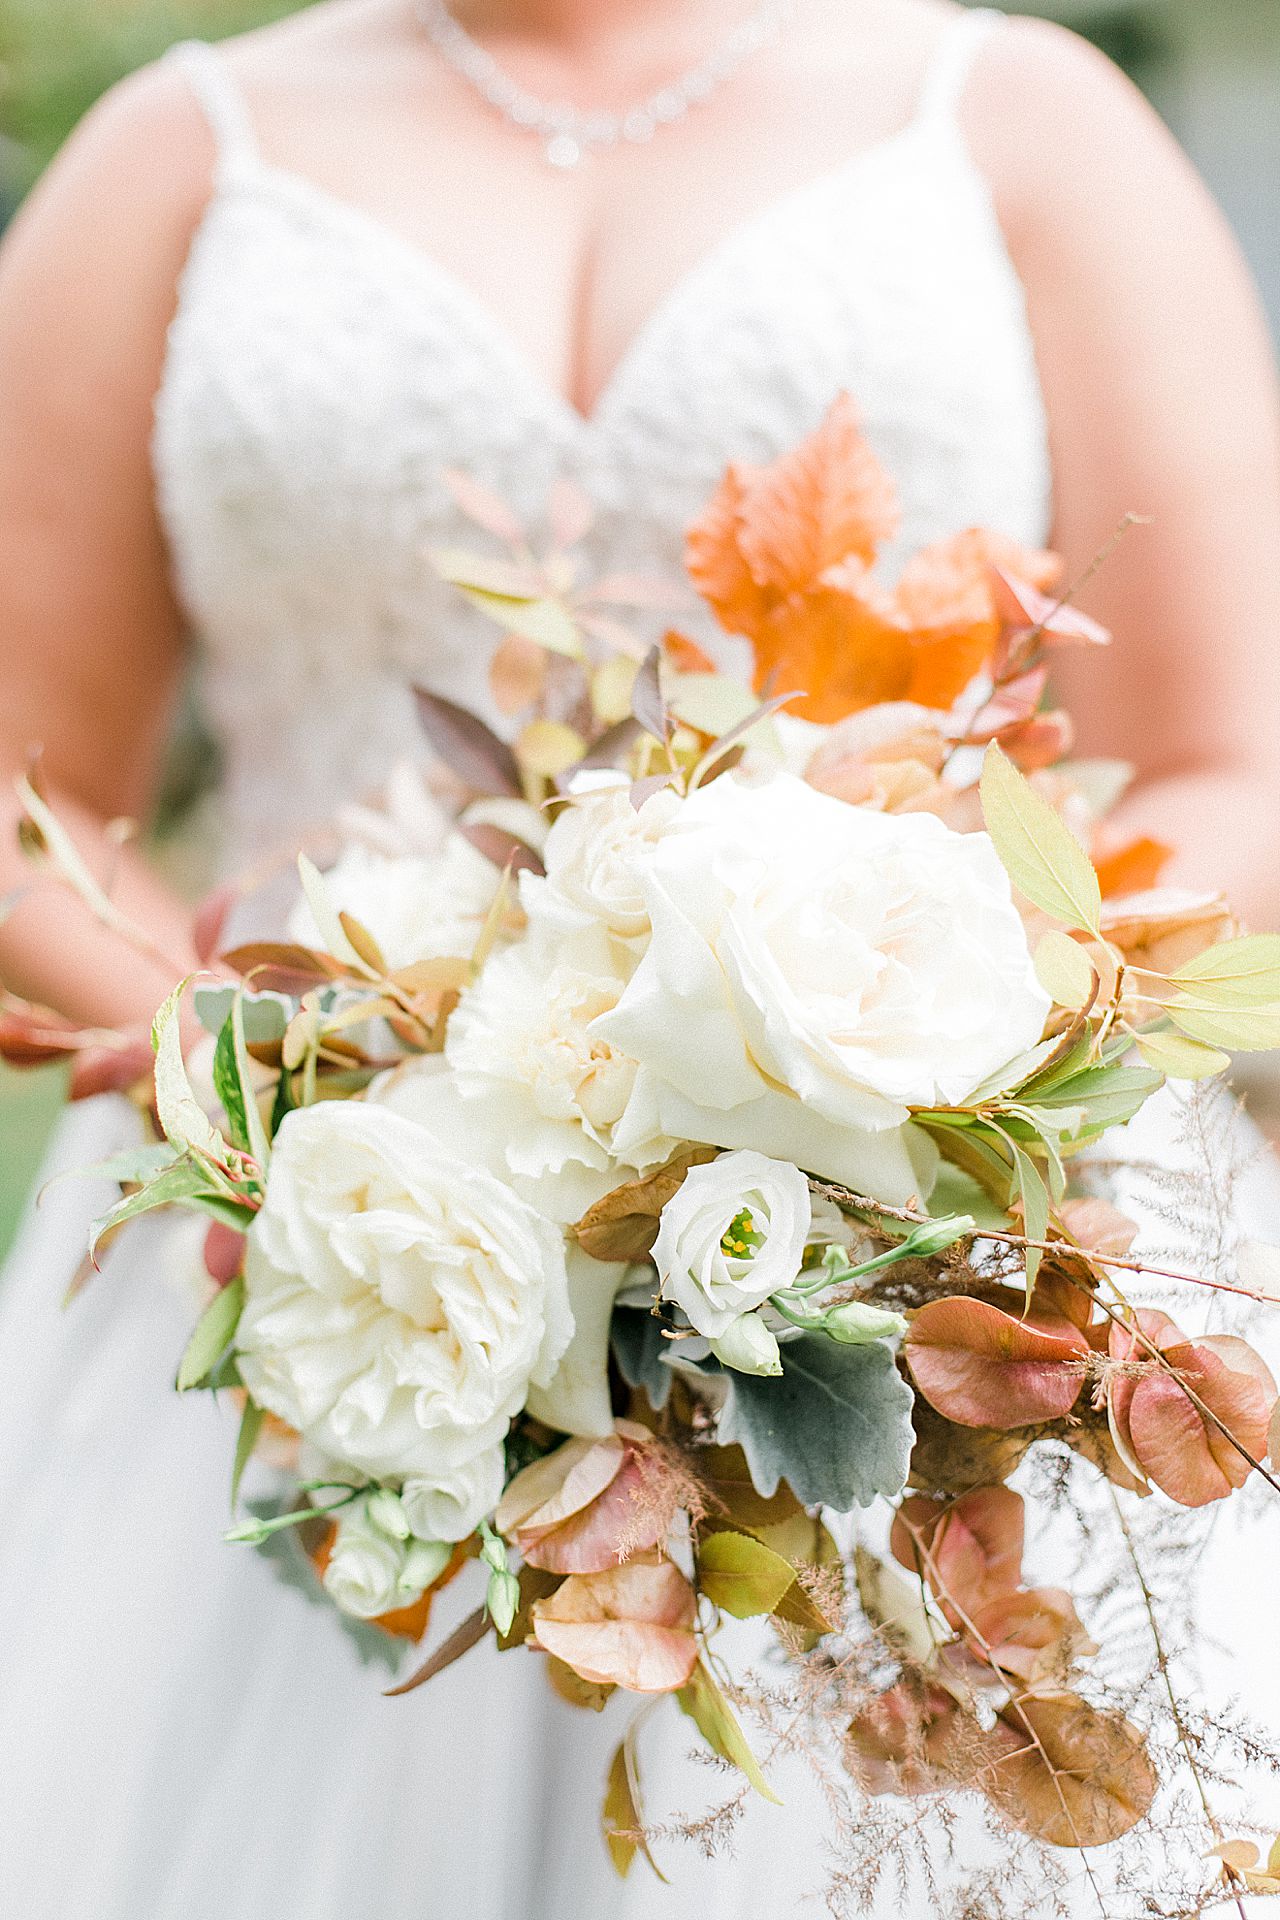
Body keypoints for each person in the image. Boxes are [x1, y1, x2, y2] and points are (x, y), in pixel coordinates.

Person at [1, 2, 1279, 1914]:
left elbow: (1228, 765)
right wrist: (314, 1099)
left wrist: (894, 1086)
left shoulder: (1018, 122)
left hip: (928, 1241)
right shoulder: (180, 155)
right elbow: (28, 789)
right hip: (327, 1266)